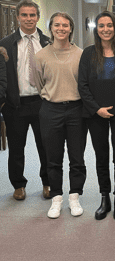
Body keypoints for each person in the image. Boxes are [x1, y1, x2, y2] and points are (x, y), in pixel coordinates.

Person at [78, 11, 115, 221]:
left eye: (109, 25)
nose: (105, 29)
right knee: (101, 157)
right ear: (97, 29)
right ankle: (105, 197)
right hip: (96, 114)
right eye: (101, 26)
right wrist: (96, 109)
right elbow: (83, 86)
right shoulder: (88, 54)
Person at [34, 12, 87, 219]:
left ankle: (74, 196)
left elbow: (84, 83)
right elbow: (39, 85)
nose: (61, 29)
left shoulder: (81, 54)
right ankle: (56, 197)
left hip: (76, 110)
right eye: (57, 25)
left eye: (65, 25)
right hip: (50, 110)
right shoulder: (40, 56)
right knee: (53, 158)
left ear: (71, 28)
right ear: (51, 28)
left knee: (77, 157)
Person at [0, 0, 49, 200]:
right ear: (18, 17)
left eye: (32, 15)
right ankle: (18, 185)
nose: (29, 19)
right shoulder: (5, 44)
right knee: (16, 148)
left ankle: (48, 182)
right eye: (24, 15)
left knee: (46, 146)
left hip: (42, 103)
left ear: (38, 17)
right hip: (15, 105)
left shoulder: (48, 42)